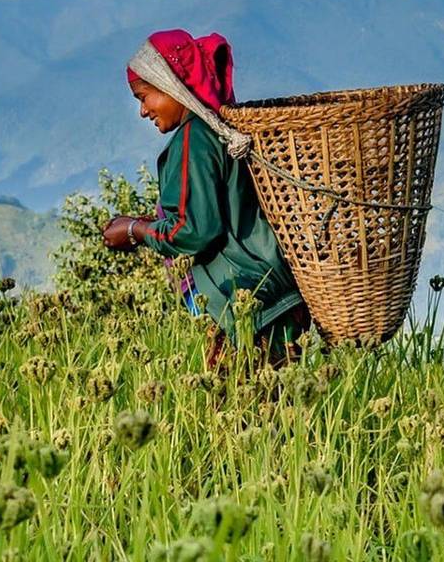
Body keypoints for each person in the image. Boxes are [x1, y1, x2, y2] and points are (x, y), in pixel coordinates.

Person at [102, 28, 310, 369]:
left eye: (144, 96)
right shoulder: (216, 131)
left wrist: (134, 230)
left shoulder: (193, 140)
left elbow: (194, 231)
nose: (142, 111)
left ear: (170, 85)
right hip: (271, 295)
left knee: (240, 411)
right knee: (280, 408)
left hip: (243, 302)